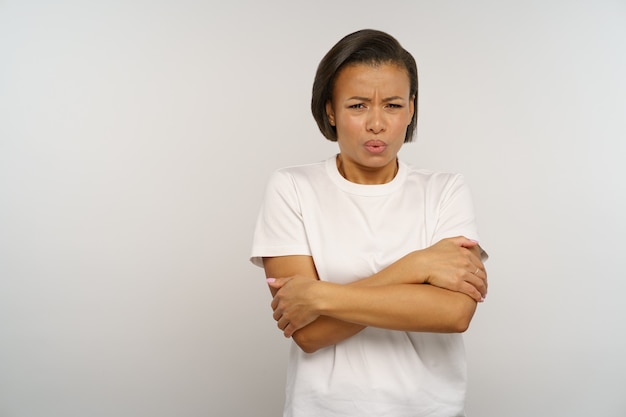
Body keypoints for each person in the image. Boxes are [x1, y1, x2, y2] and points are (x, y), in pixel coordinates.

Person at [250, 28, 488, 417]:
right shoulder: (292, 188)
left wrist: (321, 296)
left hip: (430, 409)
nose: (376, 123)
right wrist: (418, 267)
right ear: (330, 109)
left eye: (392, 105)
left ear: (411, 109)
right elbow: (308, 333)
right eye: (358, 105)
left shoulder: (445, 190)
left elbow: (454, 313)